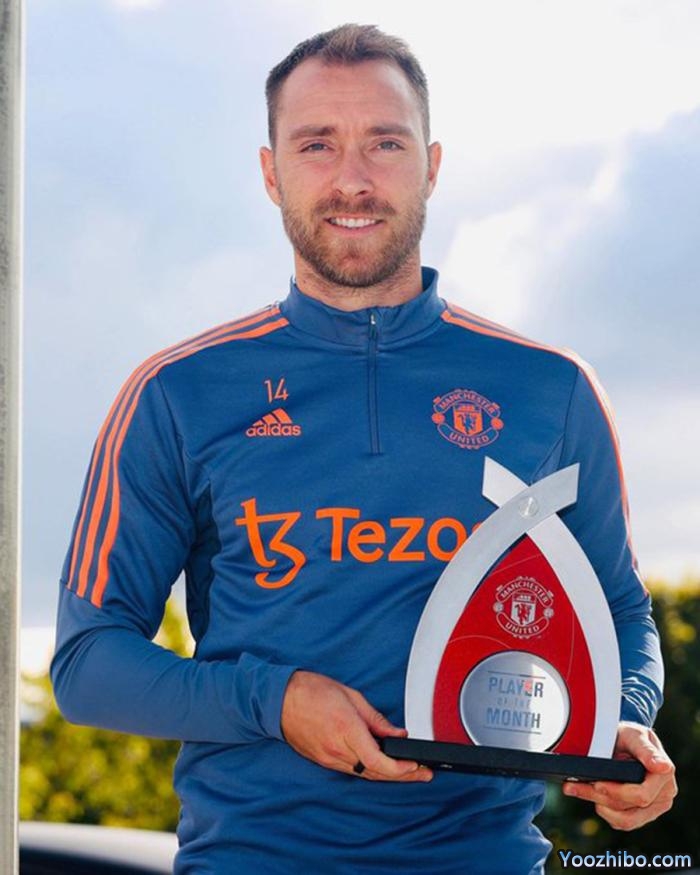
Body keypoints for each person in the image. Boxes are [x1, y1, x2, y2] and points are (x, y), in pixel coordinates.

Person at [51, 23, 676, 874]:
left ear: (433, 165)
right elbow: (88, 661)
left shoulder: (552, 388)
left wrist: (622, 715)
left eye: (386, 142)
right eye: (317, 144)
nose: (352, 178)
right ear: (270, 171)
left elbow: (620, 610)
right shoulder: (176, 393)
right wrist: (275, 700)